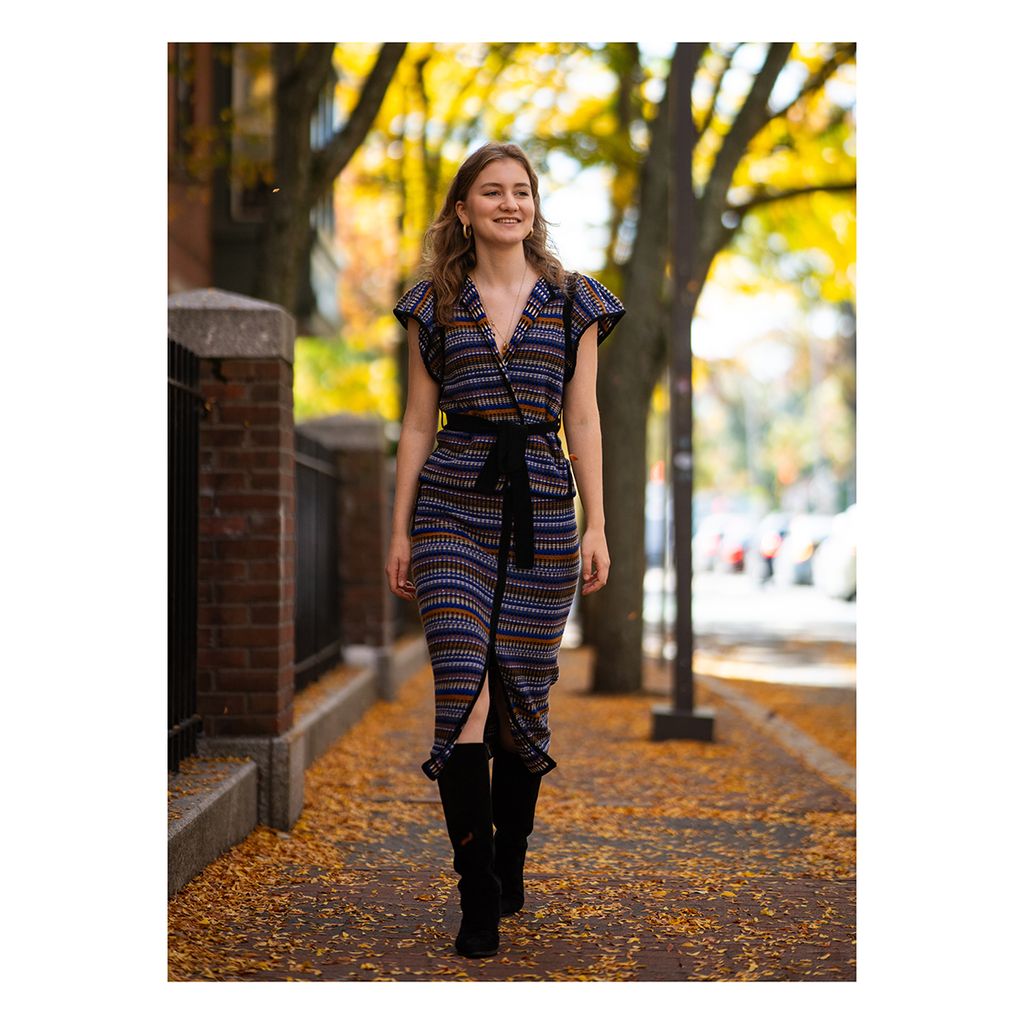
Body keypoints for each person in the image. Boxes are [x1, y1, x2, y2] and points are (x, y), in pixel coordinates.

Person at [386, 141, 625, 959]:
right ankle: (477, 890)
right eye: (493, 192)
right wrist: (399, 528)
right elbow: (418, 423)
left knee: (521, 704)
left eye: (522, 191)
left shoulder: (573, 301)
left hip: (545, 513)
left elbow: (584, 419)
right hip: (451, 505)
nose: (510, 204)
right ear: (464, 208)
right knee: (465, 693)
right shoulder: (432, 303)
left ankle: (511, 854)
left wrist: (597, 524)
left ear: (534, 207)